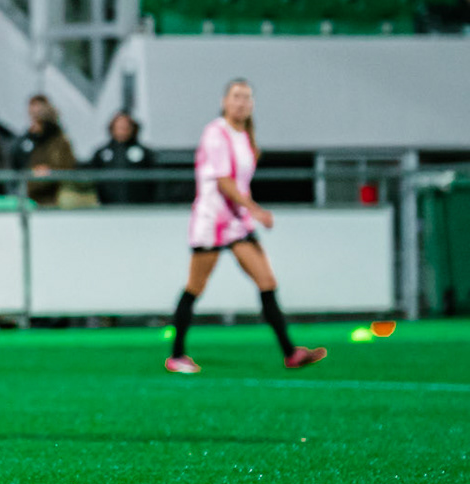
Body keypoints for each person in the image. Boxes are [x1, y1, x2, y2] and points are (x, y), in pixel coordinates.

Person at [165, 79, 327, 374]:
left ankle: (290, 353)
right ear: (224, 100)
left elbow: (239, 183)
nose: (241, 102)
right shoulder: (215, 133)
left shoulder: (244, 136)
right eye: (236, 96)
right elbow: (224, 182)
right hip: (212, 221)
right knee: (195, 286)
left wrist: (247, 211)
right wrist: (256, 211)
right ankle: (176, 355)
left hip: (236, 223)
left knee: (267, 281)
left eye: (247, 97)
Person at [10, 94, 76, 207]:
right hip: (27, 195)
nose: (35, 115)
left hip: (51, 197)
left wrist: (50, 171)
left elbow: (68, 166)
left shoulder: (58, 141)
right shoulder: (24, 140)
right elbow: (15, 164)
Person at [87, 111, 158, 206]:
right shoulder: (101, 153)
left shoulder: (145, 153)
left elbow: (154, 180)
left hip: (139, 207)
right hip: (108, 207)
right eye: (119, 127)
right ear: (112, 129)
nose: (123, 130)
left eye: (126, 127)